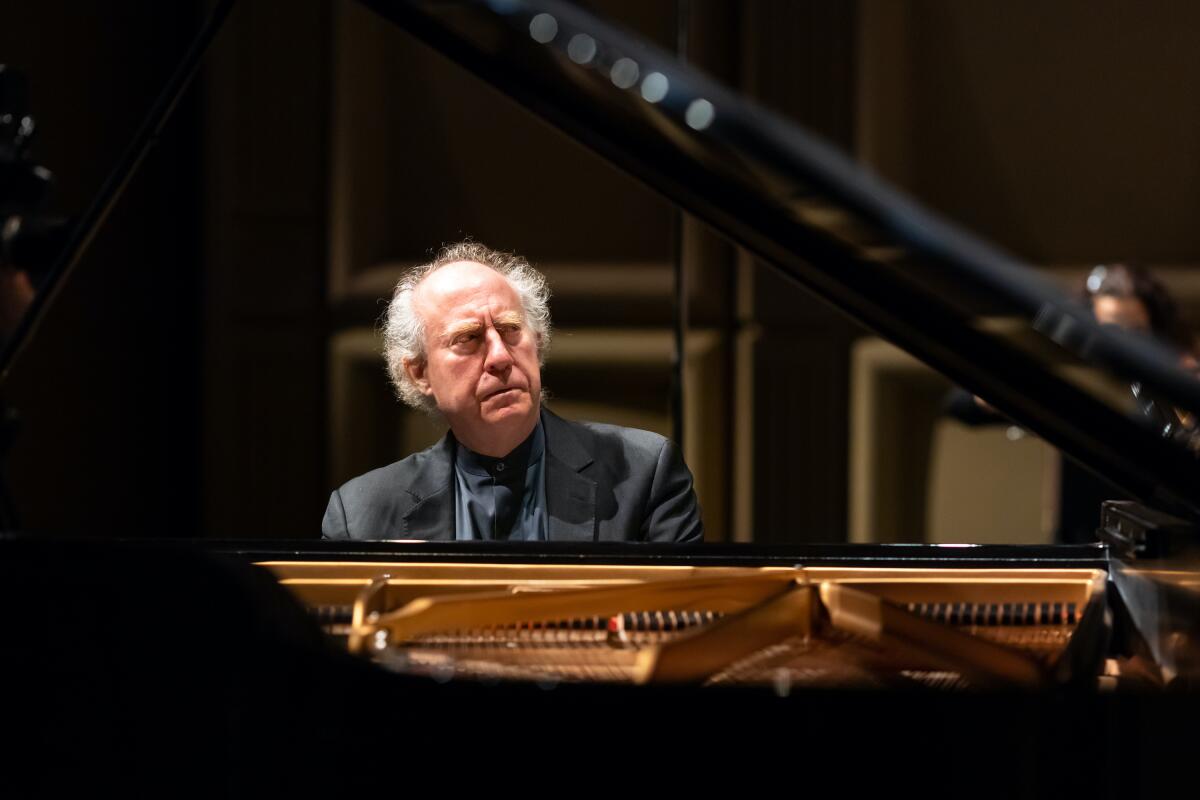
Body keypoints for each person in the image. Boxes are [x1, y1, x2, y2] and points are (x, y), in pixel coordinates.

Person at [321, 241, 703, 543]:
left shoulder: (645, 473)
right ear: (420, 373)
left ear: (536, 342)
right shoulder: (360, 514)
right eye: (468, 339)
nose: (500, 357)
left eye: (510, 329)